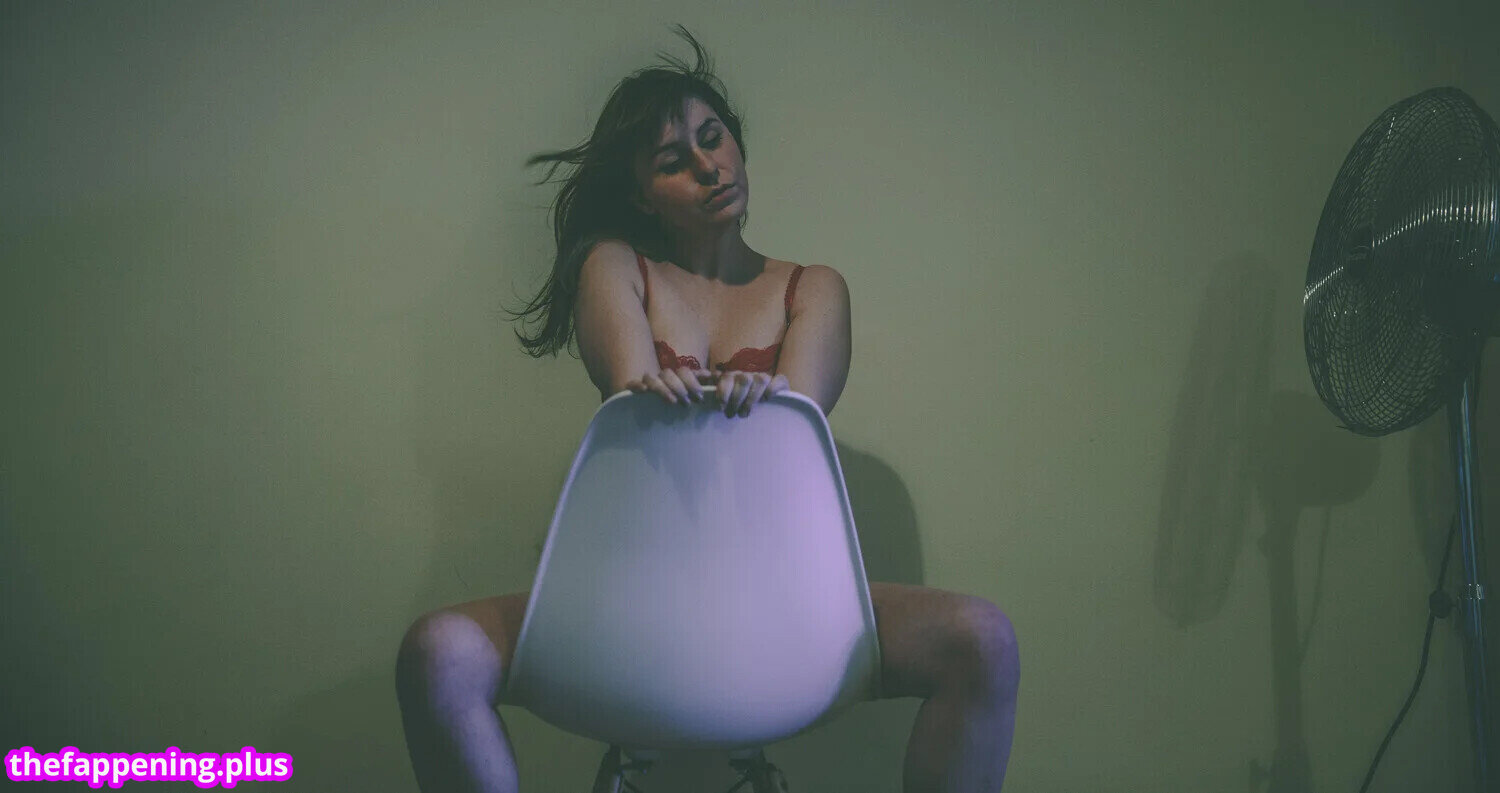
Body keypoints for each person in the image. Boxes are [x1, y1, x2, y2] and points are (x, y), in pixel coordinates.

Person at [395, 26, 1019, 793]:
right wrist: (671, 389)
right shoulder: (616, 266)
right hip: (635, 601)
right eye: (672, 161)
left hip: (783, 606)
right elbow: (635, 399)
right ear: (642, 196)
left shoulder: (813, 287)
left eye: (713, 137)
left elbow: (792, 434)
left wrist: (765, 404)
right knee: (438, 653)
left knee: (982, 638)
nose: (706, 165)